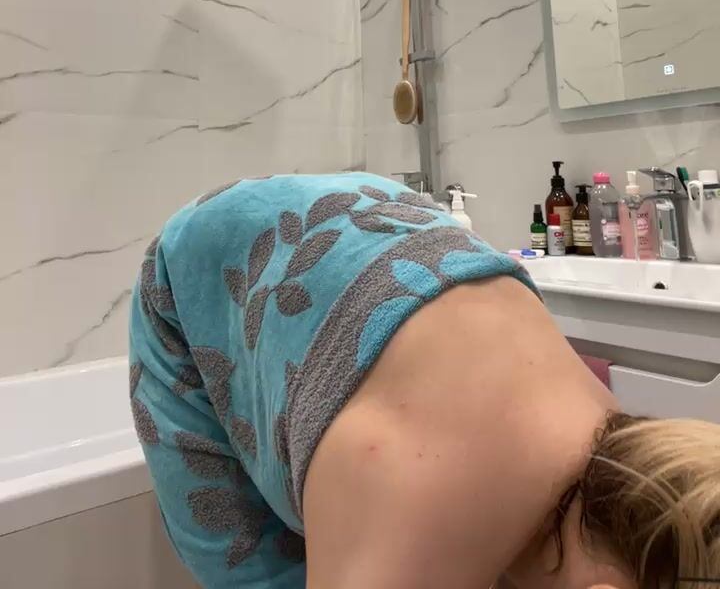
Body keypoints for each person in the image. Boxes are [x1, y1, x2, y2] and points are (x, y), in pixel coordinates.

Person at [129, 172, 720, 589]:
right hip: (203, 265)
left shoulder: (626, 448)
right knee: (258, 572)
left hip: (393, 224)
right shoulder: (405, 505)